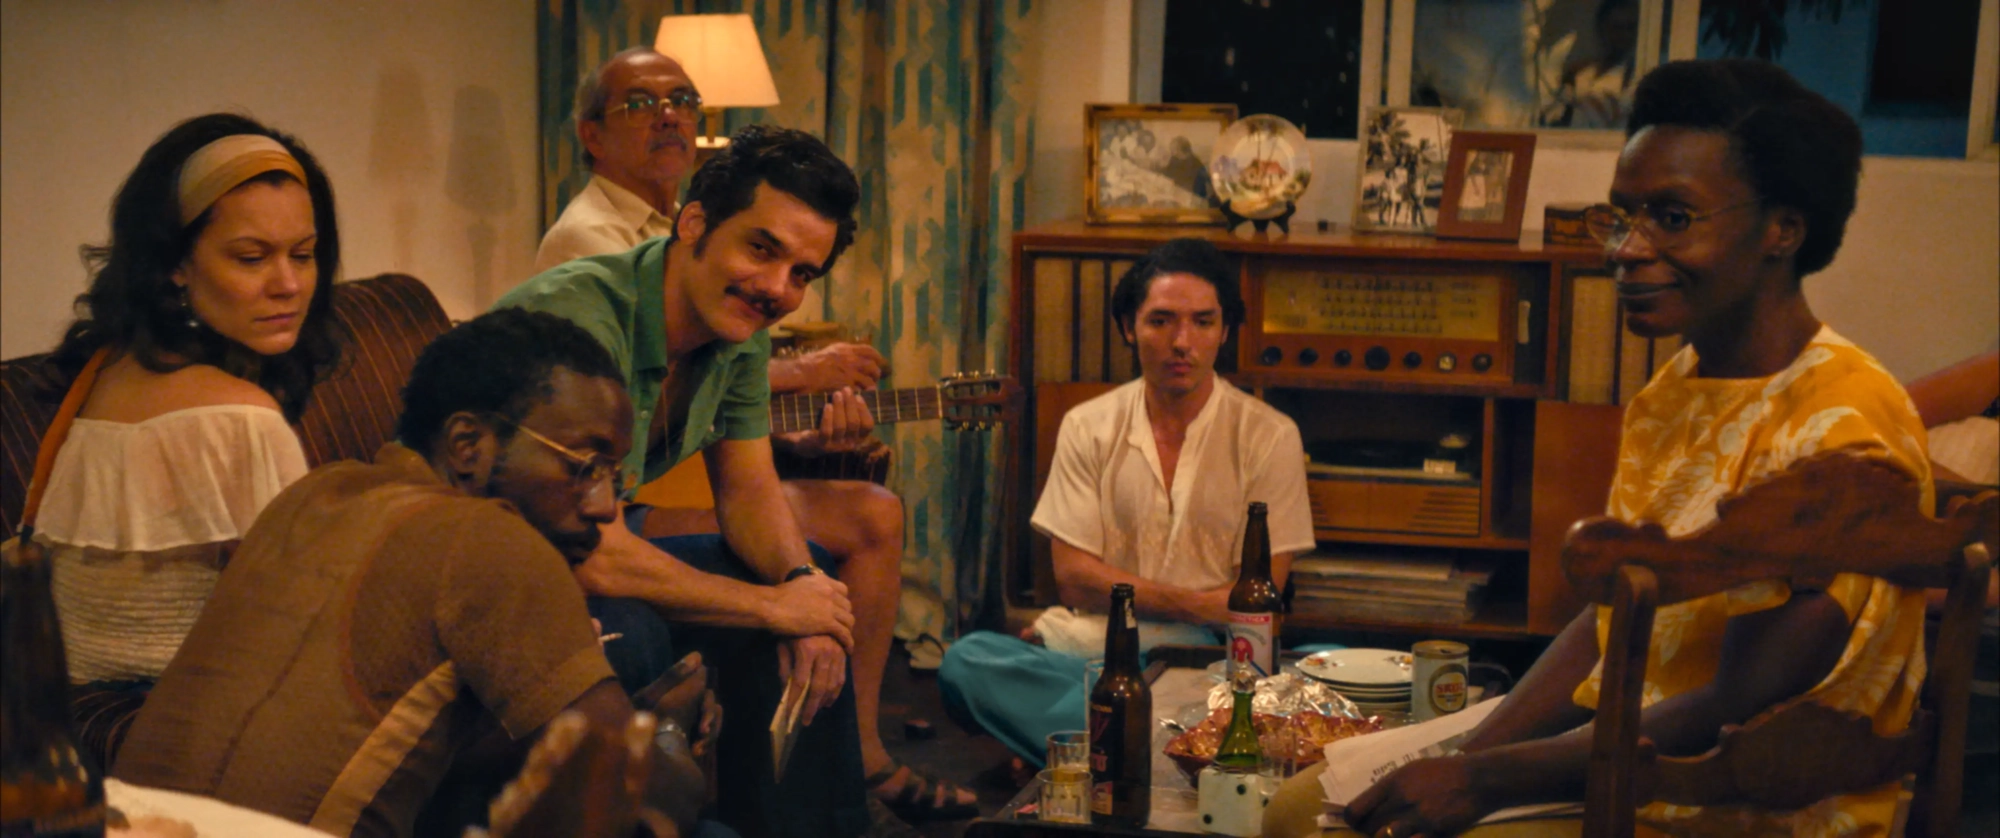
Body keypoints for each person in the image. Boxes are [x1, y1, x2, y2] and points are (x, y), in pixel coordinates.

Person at [1279, 59, 1936, 838]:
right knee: (1298, 808)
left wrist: (1485, 778)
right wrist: (1462, 753)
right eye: (1621, 216)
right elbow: (1607, 623)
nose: (1624, 249)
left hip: (1737, 805)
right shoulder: (1671, 391)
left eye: (1672, 217)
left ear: (1782, 230)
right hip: (1622, 764)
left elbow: (1741, 703)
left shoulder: (1844, 421)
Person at [528, 49, 941, 821]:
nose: (778, 289)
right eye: (761, 248)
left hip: (586, 548)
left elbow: (748, 490)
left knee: (813, 584)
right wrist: (774, 608)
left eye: (802, 273)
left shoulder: (738, 329)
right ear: (693, 224)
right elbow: (592, 552)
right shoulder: (584, 314)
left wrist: (800, 586)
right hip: (505, 563)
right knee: (649, 632)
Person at [113, 309, 712, 838]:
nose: (605, 505)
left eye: (613, 475)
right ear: (468, 445)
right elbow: (632, 796)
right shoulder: (493, 539)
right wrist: (665, 735)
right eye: (584, 465)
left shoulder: (313, 493)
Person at [25, 112, 345, 767]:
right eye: (251, 257)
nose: (288, 284)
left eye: (303, 254)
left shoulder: (106, 369)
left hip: (75, 700)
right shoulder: (243, 420)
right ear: (174, 264)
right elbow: (306, 631)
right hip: (191, 723)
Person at [937, 238, 1315, 766]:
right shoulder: (1088, 425)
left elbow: (1257, 603)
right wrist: (1203, 605)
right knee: (969, 661)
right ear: (1128, 327)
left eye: (1203, 322)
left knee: (1328, 665)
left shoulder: (1269, 435)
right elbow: (1073, 578)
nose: (1182, 342)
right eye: (1161, 321)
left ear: (1225, 331)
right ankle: (1164, 747)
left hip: (1213, 664)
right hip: (1100, 657)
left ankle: (1099, 749)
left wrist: (1143, 605)